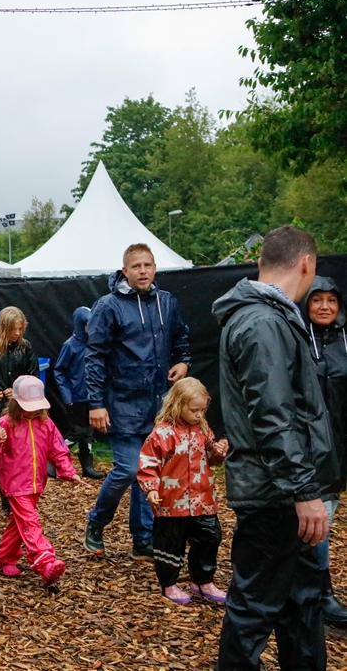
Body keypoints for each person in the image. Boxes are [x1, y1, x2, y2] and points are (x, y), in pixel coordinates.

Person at [212, 226, 336, 670]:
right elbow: (273, 415)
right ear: (306, 264)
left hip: (285, 490)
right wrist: (304, 491)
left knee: (302, 603)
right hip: (274, 494)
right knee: (255, 609)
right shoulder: (261, 321)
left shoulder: (274, 316)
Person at [84, 243, 191, 560]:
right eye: (137, 266)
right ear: (125, 270)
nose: (143, 271)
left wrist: (183, 362)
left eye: (148, 265)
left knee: (151, 473)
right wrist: (95, 403)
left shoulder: (167, 302)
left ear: (155, 268)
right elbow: (94, 357)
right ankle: (96, 522)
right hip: (123, 404)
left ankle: (142, 538)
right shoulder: (109, 306)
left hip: (159, 406)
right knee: (129, 470)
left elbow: (181, 337)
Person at [0, 376, 91, 587]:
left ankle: (6, 558)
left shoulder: (45, 423)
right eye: (28, 407)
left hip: (35, 482)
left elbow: (58, 448)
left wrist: (68, 470)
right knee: (29, 522)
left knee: (19, 523)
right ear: (16, 403)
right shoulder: (5, 424)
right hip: (15, 484)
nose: (33, 411)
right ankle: (44, 560)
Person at [137, 377, 228, 605]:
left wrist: (218, 451)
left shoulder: (203, 430)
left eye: (203, 410)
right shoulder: (162, 434)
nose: (199, 415)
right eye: (194, 410)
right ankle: (168, 583)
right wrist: (151, 489)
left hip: (203, 500)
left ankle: (202, 580)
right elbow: (148, 463)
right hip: (171, 502)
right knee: (170, 543)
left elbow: (211, 460)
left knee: (210, 537)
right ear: (178, 405)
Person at [299, 276, 347, 626]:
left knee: (323, 516)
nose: (325, 307)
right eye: (318, 300)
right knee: (317, 519)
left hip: (340, 445)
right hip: (308, 447)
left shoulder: (345, 341)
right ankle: (319, 592)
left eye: (332, 300)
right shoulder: (298, 339)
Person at [0, 307, 38, 509]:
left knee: (14, 453)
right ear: (4, 328)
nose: (17, 334)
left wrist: (19, 389)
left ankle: (8, 499)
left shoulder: (25, 347)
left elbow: (33, 375)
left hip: (17, 407)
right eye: (13, 329)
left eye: (20, 329)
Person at [53, 307, 106, 480]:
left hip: (92, 396)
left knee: (88, 432)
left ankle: (87, 466)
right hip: (75, 397)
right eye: (87, 325)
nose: (90, 328)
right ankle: (54, 460)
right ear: (79, 324)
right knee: (77, 432)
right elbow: (59, 370)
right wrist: (67, 395)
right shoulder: (70, 345)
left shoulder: (94, 343)